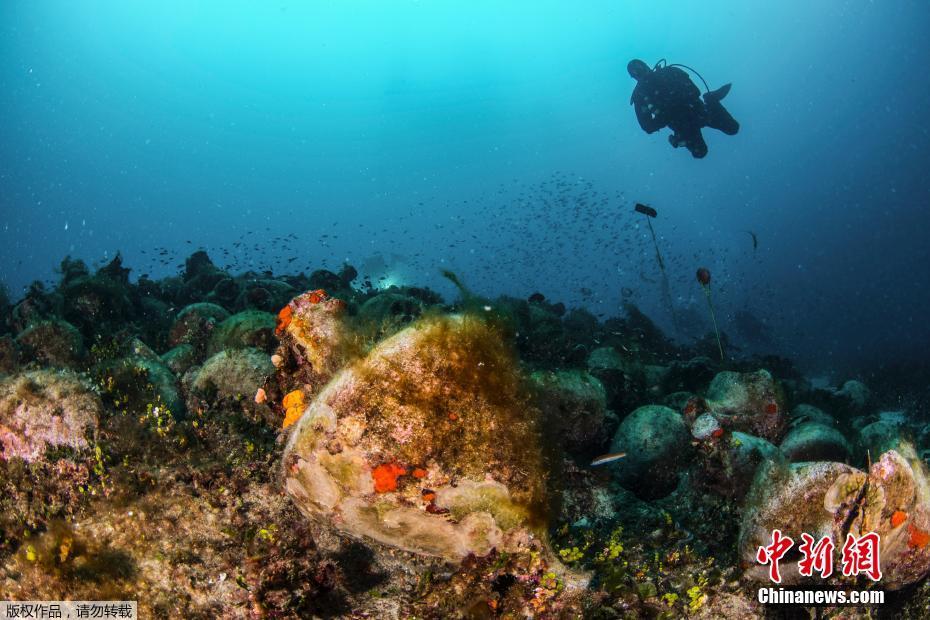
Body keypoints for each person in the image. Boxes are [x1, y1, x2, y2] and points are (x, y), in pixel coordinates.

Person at [627, 59, 739, 158]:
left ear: (646, 66)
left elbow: (695, 91)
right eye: (637, 73)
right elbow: (647, 126)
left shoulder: (669, 72)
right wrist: (668, 115)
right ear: (634, 77)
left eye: (640, 70)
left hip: (697, 111)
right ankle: (711, 100)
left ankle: (711, 100)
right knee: (700, 153)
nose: (640, 74)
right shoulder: (640, 96)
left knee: (733, 128)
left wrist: (675, 106)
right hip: (681, 125)